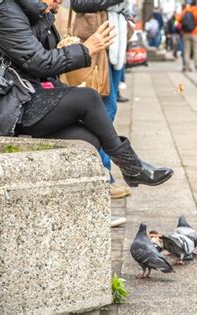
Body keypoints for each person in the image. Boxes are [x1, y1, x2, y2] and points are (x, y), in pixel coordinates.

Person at [0, 0, 173, 188]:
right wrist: (86, 49)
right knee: (89, 98)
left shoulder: (36, 13)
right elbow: (40, 62)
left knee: (87, 140)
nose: (61, 1)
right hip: (3, 105)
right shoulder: (5, 12)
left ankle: (88, 210)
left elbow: (41, 66)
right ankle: (133, 168)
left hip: (23, 96)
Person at [71, 0, 135, 198]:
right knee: (102, 113)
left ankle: (104, 174)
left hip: (111, 47)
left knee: (109, 110)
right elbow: (78, 3)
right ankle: (102, 176)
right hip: (98, 49)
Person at [177, 1, 197, 72]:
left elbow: (178, 19)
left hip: (185, 33)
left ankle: (186, 67)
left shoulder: (185, 10)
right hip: (195, 33)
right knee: (196, 50)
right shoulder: (196, 11)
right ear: (196, 4)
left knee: (186, 51)